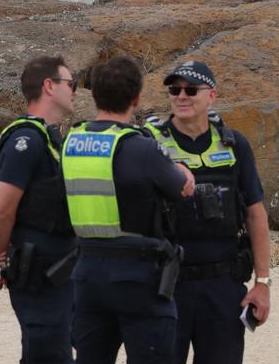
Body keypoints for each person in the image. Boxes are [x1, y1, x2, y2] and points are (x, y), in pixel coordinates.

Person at [62, 55, 195, 364]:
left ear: (93, 96)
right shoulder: (142, 147)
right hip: (138, 272)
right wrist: (182, 169)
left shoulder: (72, 142)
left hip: (86, 272)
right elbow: (182, 189)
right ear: (136, 98)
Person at [144, 60, 271, 364]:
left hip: (223, 286)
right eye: (175, 89)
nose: (181, 96)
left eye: (191, 89)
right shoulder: (149, 143)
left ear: (211, 96)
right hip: (166, 286)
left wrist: (263, 284)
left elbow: (255, 213)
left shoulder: (234, 144)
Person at [0, 55, 80, 363]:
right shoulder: (26, 141)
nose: (75, 91)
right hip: (36, 271)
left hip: (62, 270)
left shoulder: (52, 140)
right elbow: (1, 211)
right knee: (47, 353)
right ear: (49, 86)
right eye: (71, 83)